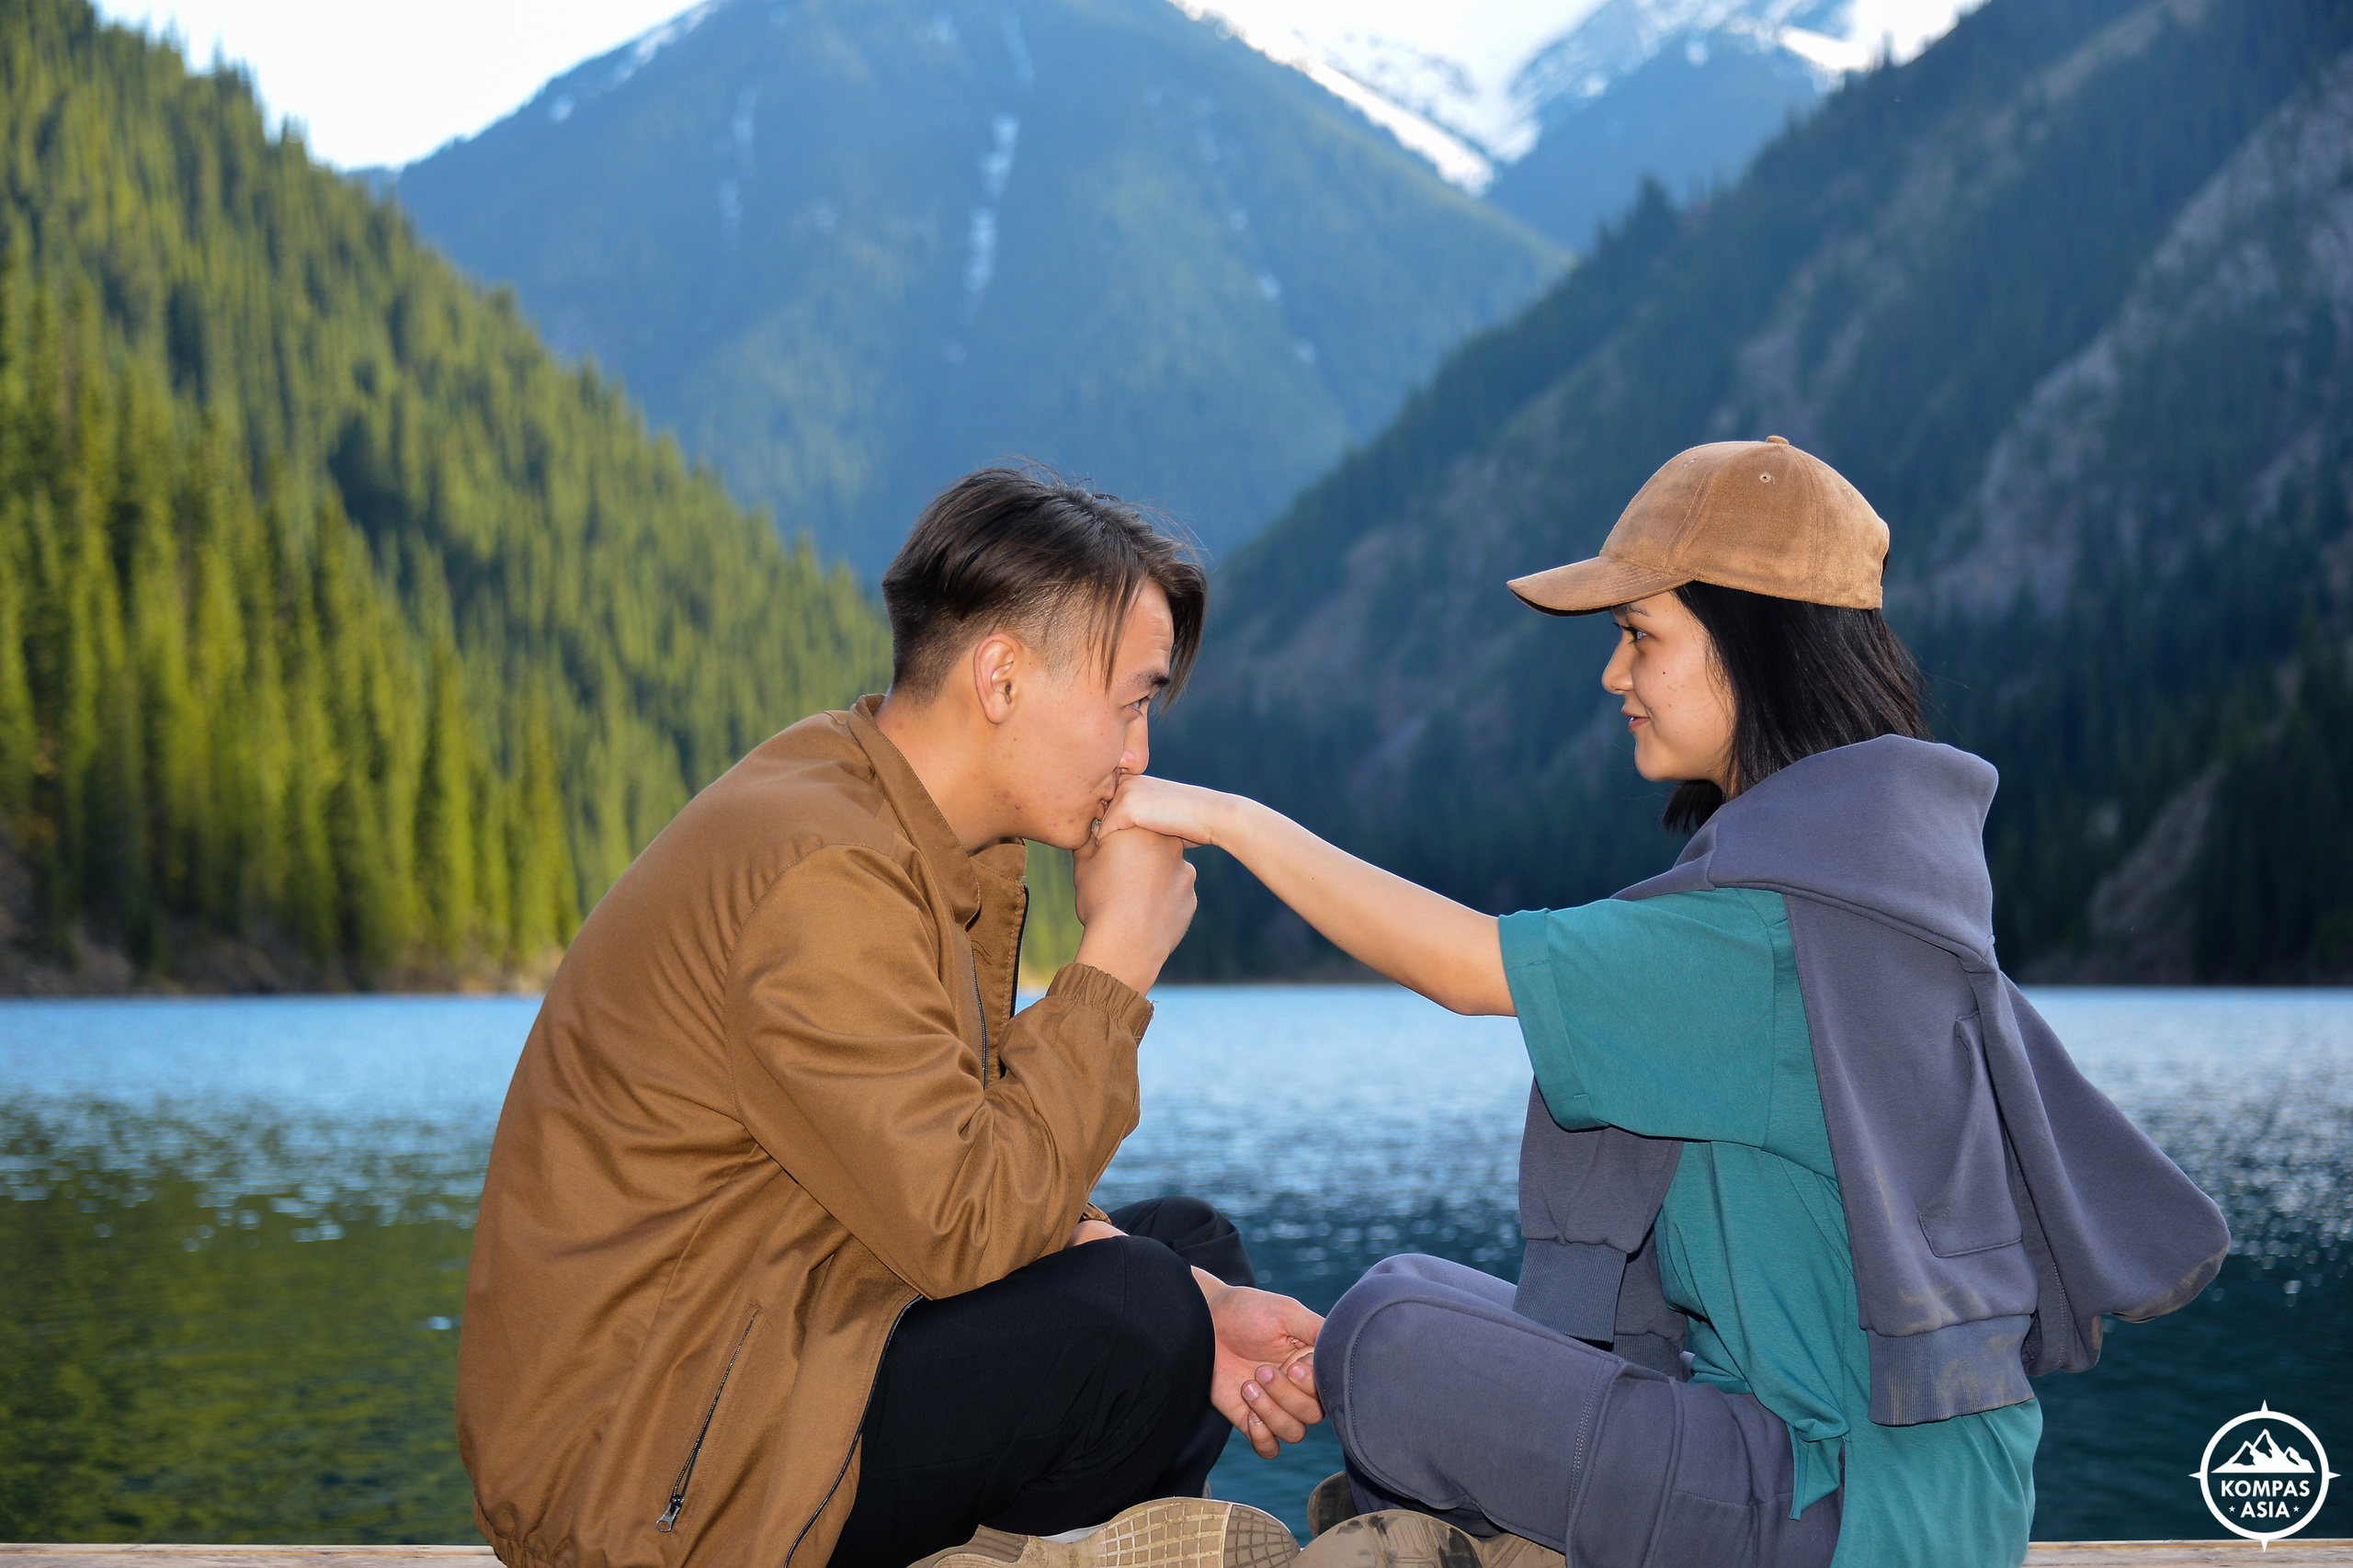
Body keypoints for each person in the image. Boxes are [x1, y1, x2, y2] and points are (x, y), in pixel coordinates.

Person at [1097, 437, 2230, 1568]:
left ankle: (1448, 1522)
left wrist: (1226, 820)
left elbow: (1464, 966)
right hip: (1908, 1489)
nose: (1612, 675)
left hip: (1841, 1506)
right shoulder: (1865, 877)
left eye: (1640, 635)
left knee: (1386, 1341)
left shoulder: (1773, 927)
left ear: (1752, 644)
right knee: (1399, 1292)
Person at [455, 468, 1324, 1568]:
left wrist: (1197, 1295)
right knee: (1142, 1312)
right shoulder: (826, 873)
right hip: (646, 1474)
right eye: (1131, 700)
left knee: (1187, 1257)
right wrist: (1113, 966)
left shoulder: (896, 825)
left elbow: (936, 1163)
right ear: (1002, 675)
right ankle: (1050, 1540)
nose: (1137, 754)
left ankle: (1068, 1540)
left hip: (776, 1326)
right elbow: (961, 1218)